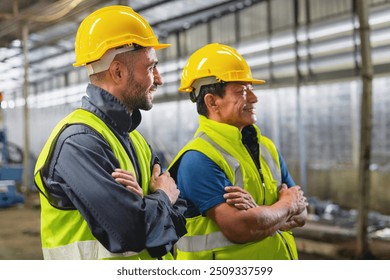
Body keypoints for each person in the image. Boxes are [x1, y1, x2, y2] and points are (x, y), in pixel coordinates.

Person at [34, 5, 186, 260]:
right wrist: (161, 197)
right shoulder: (79, 142)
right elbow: (131, 232)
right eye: (150, 68)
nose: (159, 79)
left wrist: (149, 205)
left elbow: (181, 212)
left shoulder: (135, 139)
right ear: (117, 72)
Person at [168, 43, 308, 260]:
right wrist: (286, 204)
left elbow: (302, 214)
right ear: (212, 101)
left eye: (251, 89)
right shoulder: (198, 158)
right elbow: (240, 228)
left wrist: (260, 214)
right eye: (242, 91)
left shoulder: (266, 148)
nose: (254, 98)